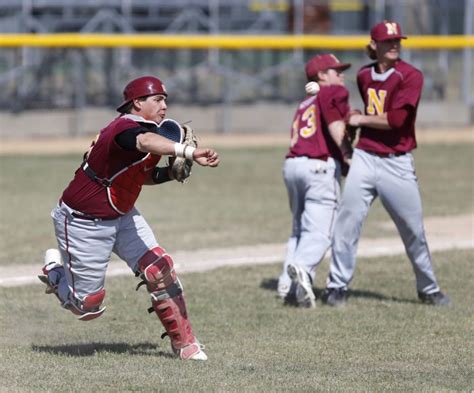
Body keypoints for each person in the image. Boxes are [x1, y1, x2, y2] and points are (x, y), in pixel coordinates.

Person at [38, 76, 220, 360]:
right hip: (83, 221)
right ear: (137, 103)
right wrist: (189, 152)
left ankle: (186, 345)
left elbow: (138, 176)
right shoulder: (124, 127)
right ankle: (55, 272)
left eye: (165, 99)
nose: (164, 105)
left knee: (160, 269)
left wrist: (170, 174)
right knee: (87, 307)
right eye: (157, 99)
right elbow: (143, 141)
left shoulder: (151, 133)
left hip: (122, 215)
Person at [322, 21, 451, 307]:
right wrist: (354, 121)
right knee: (347, 223)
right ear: (374, 45)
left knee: (413, 230)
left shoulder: (410, 75)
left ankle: (428, 288)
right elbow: (369, 111)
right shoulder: (364, 74)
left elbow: (397, 120)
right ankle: (336, 286)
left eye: (398, 40)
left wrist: (359, 119)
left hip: (397, 161)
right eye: (387, 40)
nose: (394, 44)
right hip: (366, 157)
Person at [277, 54, 354, 308]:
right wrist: (348, 156)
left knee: (299, 229)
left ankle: (286, 284)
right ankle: (302, 268)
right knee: (322, 232)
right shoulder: (332, 92)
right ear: (321, 76)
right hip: (319, 166)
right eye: (336, 70)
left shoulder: (305, 102)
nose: (341, 75)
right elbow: (337, 130)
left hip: (292, 166)